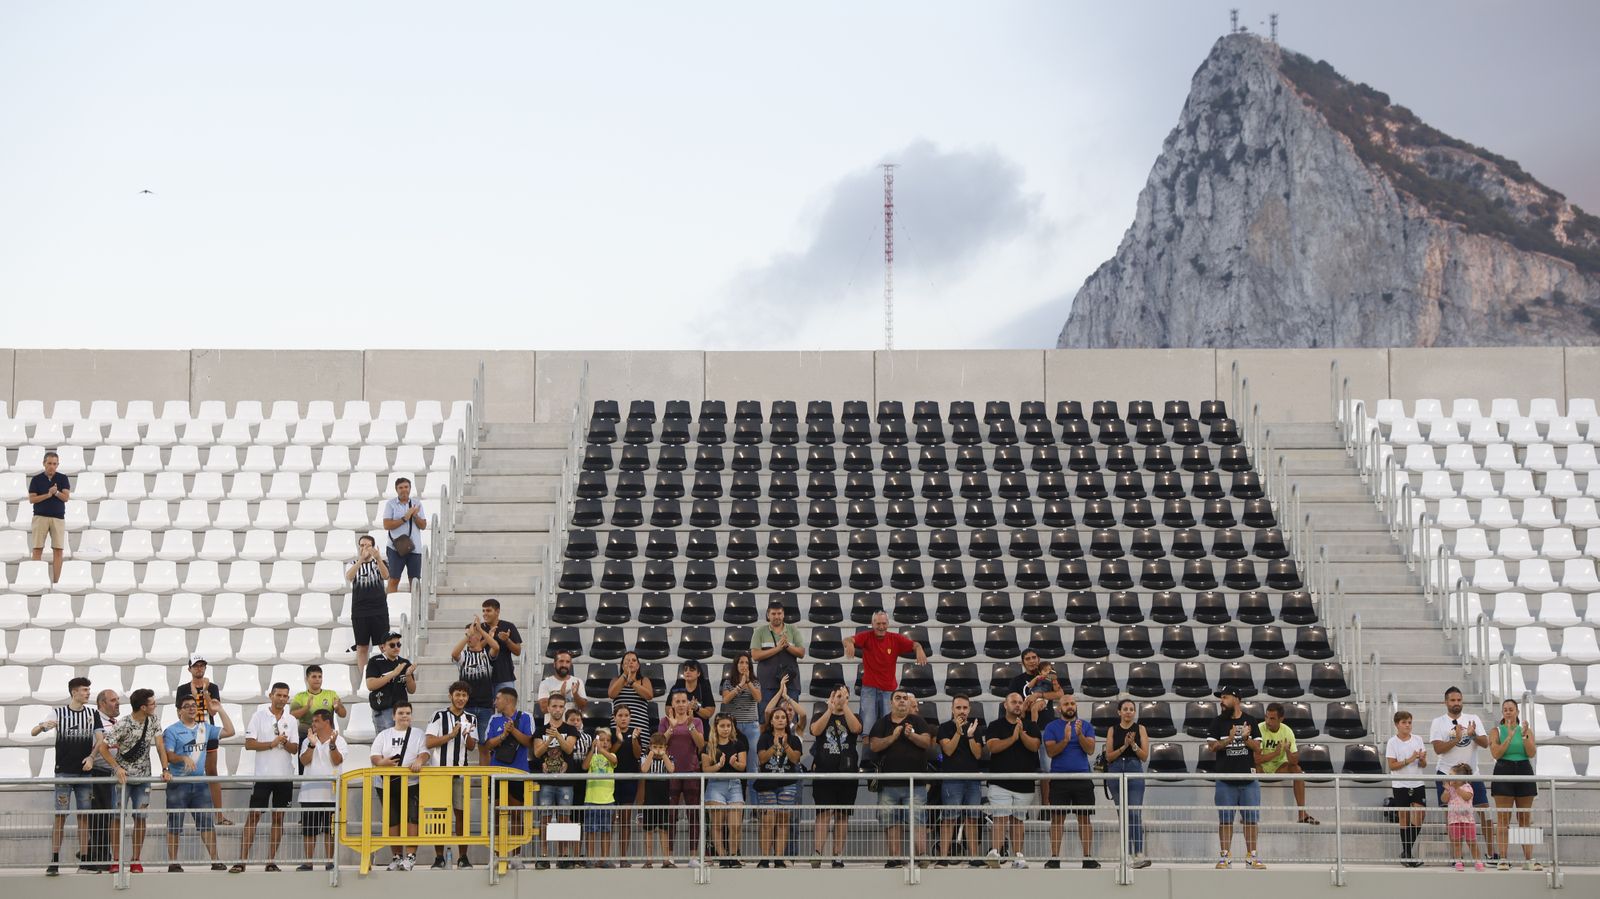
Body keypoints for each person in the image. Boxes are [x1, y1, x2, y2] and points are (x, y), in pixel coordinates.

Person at [33, 676, 102, 876]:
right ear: (74, 692)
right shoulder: (58, 713)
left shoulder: (92, 714)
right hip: (63, 771)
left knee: (84, 816)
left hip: (84, 773)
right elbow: (34, 732)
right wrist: (43, 726)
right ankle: (54, 861)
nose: (88, 693)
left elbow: (100, 739)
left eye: (88, 689)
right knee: (60, 816)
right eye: (84, 690)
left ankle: (85, 862)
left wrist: (91, 757)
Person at [159, 694, 235, 872]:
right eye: (187, 706)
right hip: (178, 784)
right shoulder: (172, 730)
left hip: (200, 784)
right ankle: (173, 862)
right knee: (175, 824)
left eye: (194, 705)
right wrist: (183, 758)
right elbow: (169, 755)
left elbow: (230, 731)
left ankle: (215, 860)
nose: (192, 708)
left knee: (207, 823)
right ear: (179, 711)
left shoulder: (204, 728)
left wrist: (220, 710)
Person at [844, 611, 926, 761]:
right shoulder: (867, 636)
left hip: (889, 690)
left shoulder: (895, 638)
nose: (881, 627)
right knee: (867, 727)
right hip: (869, 688)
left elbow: (914, 644)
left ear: (888, 624)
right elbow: (847, 639)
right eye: (878, 623)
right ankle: (867, 762)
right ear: (872, 624)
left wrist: (919, 648)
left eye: (884, 623)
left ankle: (889, 759)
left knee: (891, 726)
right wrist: (849, 643)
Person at [100, 688, 167, 875]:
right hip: (122, 780)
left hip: (143, 778)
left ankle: (136, 859)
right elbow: (104, 748)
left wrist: (165, 768)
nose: (155, 706)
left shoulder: (153, 720)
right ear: (143, 707)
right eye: (152, 704)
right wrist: (117, 768)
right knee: (117, 818)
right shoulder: (123, 724)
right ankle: (116, 859)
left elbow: (160, 746)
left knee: (141, 818)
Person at [235, 682, 299, 872]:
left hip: (284, 777)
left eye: (285, 696)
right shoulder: (259, 716)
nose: (282, 699)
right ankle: (241, 861)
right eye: (278, 695)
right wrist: (272, 743)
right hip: (263, 776)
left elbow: (294, 749)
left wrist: (283, 742)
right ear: (271, 695)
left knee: (278, 818)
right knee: (254, 816)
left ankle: (271, 861)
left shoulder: (291, 720)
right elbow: (249, 744)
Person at [867, 688, 933, 868]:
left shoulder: (918, 721)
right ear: (891, 702)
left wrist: (911, 735)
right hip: (889, 784)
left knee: (918, 820)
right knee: (891, 822)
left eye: (904, 698)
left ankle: (922, 856)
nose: (902, 700)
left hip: (915, 784)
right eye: (898, 698)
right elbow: (874, 746)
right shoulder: (882, 723)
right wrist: (893, 736)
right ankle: (895, 858)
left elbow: (926, 742)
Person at [1430, 687, 1494, 861]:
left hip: (1472, 775)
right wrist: (1457, 739)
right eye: (1452, 700)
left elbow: (1485, 743)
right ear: (1446, 702)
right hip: (1447, 774)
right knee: (1451, 818)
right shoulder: (1438, 722)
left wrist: (1472, 735)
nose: (1456, 703)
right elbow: (1438, 749)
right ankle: (1457, 857)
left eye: (1459, 700)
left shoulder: (1473, 719)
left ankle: (1491, 853)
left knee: (1485, 812)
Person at [1207, 685, 1266, 869]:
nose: (1221, 701)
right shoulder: (1217, 722)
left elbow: (1258, 748)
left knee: (1251, 821)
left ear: (1237, 699)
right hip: (1225, 780)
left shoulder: (1251, 720)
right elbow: (1212, 747)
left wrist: (1246, 739)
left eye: (1225, 697)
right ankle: (1225, 857)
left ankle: (1252, 857)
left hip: (1248, 780)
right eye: (1221, 698)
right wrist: (1230, 739)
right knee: (1225, 820)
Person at [984, 692, 1045, 869]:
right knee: (1000, 818)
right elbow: (993, 747)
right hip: (1000, 782)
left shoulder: (1031, 725)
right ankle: (995, 852)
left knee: (1018, 821)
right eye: (1013, 702)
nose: (1017, 705)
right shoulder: (995, 725)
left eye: (1020, 702)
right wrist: (1013, 737)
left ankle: (1018, 856)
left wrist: (1021, 733)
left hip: (1024, 784)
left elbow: (1034, 746)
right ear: (1005, 705)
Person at [370, 702, 432, 871]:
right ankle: (397, 857)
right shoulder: (384, 735)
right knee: (392, 819)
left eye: (407, 713)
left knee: (412, 818)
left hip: (411, 783)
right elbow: (374, 756)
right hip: (386, 783)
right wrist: (383, 762)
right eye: (401, 713)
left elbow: (425, 752)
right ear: (393, 716)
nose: (404, 716)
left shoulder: (418, 733)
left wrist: (419, 760)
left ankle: (410, 857)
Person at [425, 681, 479, 868]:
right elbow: (429, 742)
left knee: (461, 815)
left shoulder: (471, 718)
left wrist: (466, 735)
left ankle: (463, 857)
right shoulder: (438, 715)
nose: (461, 698)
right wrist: (451, 735)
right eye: (458, 694)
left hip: (461, 773)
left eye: (464, 695)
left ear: (468, 698)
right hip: (439, 773)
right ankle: (439, 857)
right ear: (450, 696)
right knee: (439, 815)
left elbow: (471, 747)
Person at [1042, 695, 1099, 869]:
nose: (1070, 706)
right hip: (1059, 779)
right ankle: (1054, 857)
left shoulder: (1086, 726)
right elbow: (1051, 752)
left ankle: (1087, 857)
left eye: (1072, 703)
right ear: (1059, 708)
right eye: (1066, 703)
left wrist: (1079, 735)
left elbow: (1090, 750)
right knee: (1057, 819)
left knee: (1084, 819)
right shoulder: (1051, 727)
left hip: (1082, 778)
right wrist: (1066, 740)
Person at [808, 684, 861, 868]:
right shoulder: (820, 715)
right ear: (831, 697)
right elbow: (815, 731)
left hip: (847, 774)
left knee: (842, 815)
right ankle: (817, 853)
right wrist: (829, 710)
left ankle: (838, 855)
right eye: (837, 695)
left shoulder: (853, 715)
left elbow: (856, 729)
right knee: (823, 814)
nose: (840, 699)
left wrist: (844, 706)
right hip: (824, 773)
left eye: (843, 696)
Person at [174, 656, 230, 823]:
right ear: (189, 669)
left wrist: (204, 692)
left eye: (202, 666)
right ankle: (183, 817)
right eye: (196, 666)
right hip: (189, 734)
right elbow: (180, 712)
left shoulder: (212, 687)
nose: (199, 669)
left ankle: (219, 815)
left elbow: (213, 711)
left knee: (212, 772)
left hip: (207, 732)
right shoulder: (183, 688)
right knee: (188, 772)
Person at [483, 687, 534, 869]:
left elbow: (529, 742)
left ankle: (516, 855)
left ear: (508, 700)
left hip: (518, 773)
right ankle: (497, 856)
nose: (495, 702)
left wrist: (513, 731)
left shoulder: (526, 717)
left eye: (497, 699)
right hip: (497, 773)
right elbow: (488, 744)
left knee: (517, 814)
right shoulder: (494, 719)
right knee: (496, 815)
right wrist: (503, 735)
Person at [1488, 698, 1541, 870]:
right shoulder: (1496, 731)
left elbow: (1531, 753)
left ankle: (1529, 859)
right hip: (1503, 769)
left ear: (1517, 712)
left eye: (1511, 709)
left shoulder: (1526, 730)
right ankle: (1503, 858)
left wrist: (1524, 736)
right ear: (1502, 712)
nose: (1508, 712)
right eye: (1505, 709)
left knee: (1524, 818)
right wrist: (1509, 738)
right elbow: (1496, 753)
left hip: (1524, 770)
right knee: (1503, 818)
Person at [935, 693, 986, 867]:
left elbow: (978, 754)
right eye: (958, 707)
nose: (962, 711)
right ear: (952, 709)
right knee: (949, 818)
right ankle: (943, 858)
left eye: (965, 708)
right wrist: (958, 732)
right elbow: (948, 750)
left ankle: (974, 857)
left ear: (969, 709)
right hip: (952, 780)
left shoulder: (975, 728)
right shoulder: (944, 728)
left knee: (972, 819)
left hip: (972, 780)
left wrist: (970, 736)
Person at [658, 689, 706, 864]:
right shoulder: (664, 721)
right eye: (677, 701)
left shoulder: (697, 721)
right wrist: (671, 728)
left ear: (688, 704)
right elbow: (659, 744)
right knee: (671, 815)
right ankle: (669, 855)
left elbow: (700, 745)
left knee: (693, 815)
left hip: (691, 772)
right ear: (672, 704)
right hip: (671, 773)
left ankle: (693, 856)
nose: (680, 705)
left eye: (683, 701)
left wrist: (690, 725)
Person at [531, 692, 579, 869]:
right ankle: (543, 855)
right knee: (544, 819)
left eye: (560, 706)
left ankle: (563, 855)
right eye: (554, 706)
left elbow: (568, 749)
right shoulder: (540, 730)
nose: (557, 710)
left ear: (564, 708)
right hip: (546, 782)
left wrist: (558, 736)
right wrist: (549, 739)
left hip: (565, 782)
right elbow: (537, 753)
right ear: (548, 708)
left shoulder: (571, 730)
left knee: (564, 818)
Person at [297, 709, 347, 871]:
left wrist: (332, 745)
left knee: (329, 831)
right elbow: (304, 761)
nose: (313, 724)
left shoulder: (340, 740)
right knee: (309, 830)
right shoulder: (307, 740)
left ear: (327, 722)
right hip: (309, 794)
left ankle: (330, 861)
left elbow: (337, 760)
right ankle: (308, 862)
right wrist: (312, 744)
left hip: (331, 794)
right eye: (313, 721)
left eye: (316, 721)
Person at [1105, 698, 1152, 869]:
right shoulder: (1112, 729)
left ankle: (1138, 853)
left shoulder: (1141, 729)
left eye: (1131, 709)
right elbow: (1109, 756)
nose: (1128, 712)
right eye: (1125, 709)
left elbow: (1144, 756)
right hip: (1116, 769)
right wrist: (1124, 746)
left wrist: (1133, 745)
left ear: (1135, 712)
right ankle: (1126, 854)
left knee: (1134, 813)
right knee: (1123, 814)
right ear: (1119, 712)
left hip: (1134, 768)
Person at [754, 705, 802, 868]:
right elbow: (762, 759)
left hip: (787, 784)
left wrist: (786, 745)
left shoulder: (794, 739)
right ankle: (765, 858)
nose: (780, 720)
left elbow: (795, 759)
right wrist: (774, 746)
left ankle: (779, 858)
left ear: (787, 721)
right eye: (777, 717)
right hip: (767, 783)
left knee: (783, 821)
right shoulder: (764, 738)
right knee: (767, 821)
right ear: (771, 722)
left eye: (783, 717)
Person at [702, 713, 749, 868]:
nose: (726, 729)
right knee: (717, 824)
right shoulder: (709, 746)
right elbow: (706, 769)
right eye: (722, 726)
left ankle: (733, 856)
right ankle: (722, 857)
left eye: (728, 726)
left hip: (734, 785)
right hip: (715, 785)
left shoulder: (738, 744)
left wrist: (734, 764)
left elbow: (743, 767)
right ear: (716, 727)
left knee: (735, 825)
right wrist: (719, 766)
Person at [1008, 648, 1065, 774]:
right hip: (1025, 728)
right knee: (1025, 766)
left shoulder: (1049, 675)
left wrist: (1039, 695)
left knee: (1047, 768)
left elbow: (1060, 694)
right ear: (1023, 662)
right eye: (1028, 658)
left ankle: (1047, 789)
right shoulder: (1017, 681)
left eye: (1034, 657)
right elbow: (1012, 704)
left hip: (1046, 726)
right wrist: (1027, 706)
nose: (1031, 661)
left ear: (1038, 659)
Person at [1259, 702, 1318, 825]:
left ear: (1281, 719)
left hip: (1278, 766)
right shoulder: (1259, 728)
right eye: (1266, 717)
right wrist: (1276, 753)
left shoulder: (1287, 731)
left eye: (1272, 718)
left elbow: (1294, 761)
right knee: (1248, 767)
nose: (1268, 721)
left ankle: (1302, 813)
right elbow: (1256, 759)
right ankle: (1248, 814)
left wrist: (1287, 751)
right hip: (1261, 767)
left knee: (1297, 770)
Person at [1385, 709, 1428, 868]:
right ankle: (1408, 854)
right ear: (1397, 724)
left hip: (1417, 782)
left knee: (1419, 816)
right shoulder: (1392, 742)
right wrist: (1409, 760)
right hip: (1400, 784)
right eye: (1404, 722)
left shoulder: (1418, 739)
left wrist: (1421, 759)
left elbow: (1423, 764)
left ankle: (1406, 851)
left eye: (1409, 722)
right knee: (1404, 817)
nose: (1408, 725)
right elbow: (1392, 765)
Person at [719, 652, 763, 801]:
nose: (744, 665)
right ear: (736, 665)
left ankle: (755, 808)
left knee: (752, 768)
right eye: (741, 662)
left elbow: (758, 698)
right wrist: (739, 685)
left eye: (746, 663)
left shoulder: (755, 682)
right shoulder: (728, 682)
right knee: (734, 765)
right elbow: (725, 700)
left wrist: (748, 682)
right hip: (734, 728)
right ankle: (736, 804)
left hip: (751, 727)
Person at [750, 603, 804, 722]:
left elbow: (801, 653)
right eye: (773, 614)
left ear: (783, 614)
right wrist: (777, 649)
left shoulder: (793, 630)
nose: (776, 616)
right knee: (766, 718)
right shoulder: (759, 631)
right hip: (767, 684)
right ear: (768, 615)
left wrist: (787, 646)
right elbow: (755, 655)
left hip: (790, 683)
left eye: (779, 613)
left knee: (791, 719)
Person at [86, 688, 121, 873]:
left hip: (111, 774)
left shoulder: (116, 722)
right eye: (113, 700)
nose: (118, 703)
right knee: (100, 816)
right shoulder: (94, 721)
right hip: (98, 772)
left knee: (107, 815)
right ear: (102, 703)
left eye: (117, 699)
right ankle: (100, 857)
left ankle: (92, 852)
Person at [346, 535, 391, 675]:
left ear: (373, 547)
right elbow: (349, 577)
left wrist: (378, 558)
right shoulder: (353, 563)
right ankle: (365, 678)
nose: (364, 548)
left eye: (367, 545)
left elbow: (386, 576)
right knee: (362, 647)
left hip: (379, 610)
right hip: (360, 611)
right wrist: (361, 559)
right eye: (361, 545)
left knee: (384, 645)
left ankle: (386, 674)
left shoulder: (380, 562)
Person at [610, 703, 646, 867]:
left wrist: (634, 739)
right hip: (611, 781)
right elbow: (609, 753)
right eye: (620, 715)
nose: (623, 718)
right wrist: (619, 740)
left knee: (625, 820)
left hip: (629, 781)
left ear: (630, 718)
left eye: (626, 716)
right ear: (614, 718)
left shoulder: (635, 733)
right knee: (610, 820)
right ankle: (606, 857)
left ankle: (623, 857)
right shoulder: (610, 734)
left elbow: (638, 755)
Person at [451, 618, 499, 743]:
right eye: (467, 634)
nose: (468, 638)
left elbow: (496, 647)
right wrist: (469, 634)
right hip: (466, 705)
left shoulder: (487, 654)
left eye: (472, 635)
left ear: (479, 636)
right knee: (464, 740)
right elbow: (454, 653)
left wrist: (481, 631)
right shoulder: (463, 656)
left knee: (485, 742)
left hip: (485, 706)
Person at [27, 449, 71, 583]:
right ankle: (35, 581)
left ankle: (56, 582)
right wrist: (48, 495)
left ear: (58, 465)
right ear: (44, 463)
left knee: (58, 550)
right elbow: (32, 499)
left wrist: (56, 492)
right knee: (37, 549)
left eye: (55, 464)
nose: (52, 466)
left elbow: (66, 498)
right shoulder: (36, 479)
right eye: (50, 463)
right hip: (40, 517)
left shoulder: (63, 478)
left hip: (58, 518)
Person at [381, 476, 427, 593]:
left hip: (414, 548)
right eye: (400, 487)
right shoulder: (391, 504)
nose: (404, 490)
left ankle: (415, 604)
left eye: (406, 487)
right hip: (395, 548)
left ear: (410, 488)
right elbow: (386, 525)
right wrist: (405, 518)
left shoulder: (417, 503)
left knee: (415, 581)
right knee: (394, 579)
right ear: (396, 489)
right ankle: (390, 603)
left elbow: (423, 526)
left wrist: (415, 516)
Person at [366, 633, 417, 733]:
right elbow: (370, 685)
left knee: (403, 739)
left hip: (402, 709)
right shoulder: (375, 661)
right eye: (392, 645)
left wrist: (408, 676)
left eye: (398, 644)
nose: (396, 647)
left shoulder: (404, 663)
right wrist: (394, 673)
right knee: (386, 740)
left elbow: (412, 690)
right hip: (383, 708)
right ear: (383, 647)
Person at [583, 728, 619, 867]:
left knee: (606, 831)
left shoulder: (612, 755)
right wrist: (593, 750)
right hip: (591, 799)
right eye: (601, 740)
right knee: (590, 831)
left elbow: (613, 761)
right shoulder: (592, 756)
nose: (604, 743)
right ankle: (590, 858)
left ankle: (604, 858)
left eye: (607, 741)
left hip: (607, 800)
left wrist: (601, 749)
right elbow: (585, 766)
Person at [639, 733, 674, 869]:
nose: (658, 750)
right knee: (649, 830)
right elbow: (644, 769)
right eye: (655, 747)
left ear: (665, 747)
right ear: (650, 747)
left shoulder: (669, 758)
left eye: (661, 747)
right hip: (650, 797)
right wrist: (651, 754)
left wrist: (664, 755)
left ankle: (666, 859)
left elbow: (671, 769)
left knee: (663, 829)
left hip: (663, 797)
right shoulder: (646, 757)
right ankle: (649, 860)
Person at [289, 665, 348, 743]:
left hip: (327, 735)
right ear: (306, 679)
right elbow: (292, 715)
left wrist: (337, 708)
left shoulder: (331, 694)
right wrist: (307, 707)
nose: (317, 679)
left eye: (320, 677)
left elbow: (343, 714)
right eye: (314, 677)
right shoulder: (299, 696)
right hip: (306, 735)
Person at [1444, 763, 1485, 872]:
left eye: (1451, 775)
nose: (1448, 777)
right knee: (1456, 842)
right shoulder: (1450, 788)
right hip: (1454, 819)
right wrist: (1447, 790)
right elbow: (1444, 799)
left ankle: (1478, 861)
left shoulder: (1467, 787)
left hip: (1468, 820)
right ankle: (1458, 861)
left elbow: (1467, 797)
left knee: (1472, 841)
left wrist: (1456, 788)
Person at [479, 599, 523, 696]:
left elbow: (518, 651)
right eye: (483, 611)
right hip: (483, 678)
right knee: (486, 706)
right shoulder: (479, 628)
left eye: (488, 610)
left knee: (507, 705)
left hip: (505, 677)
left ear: (497, 611)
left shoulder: (509, 626)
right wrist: (488, 637)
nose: (485, 614)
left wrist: (507, 640)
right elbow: (474, 649)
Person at [608, 651, 657, 735]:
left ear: (638, 666)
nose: (630, 662)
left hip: (639, 727)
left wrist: (632, 682)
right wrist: (625, 675)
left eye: (634, 660)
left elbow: (649, 695)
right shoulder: (615, 680)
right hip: (618, 729)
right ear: (622, 666)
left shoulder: (644, 680)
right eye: (627, 660)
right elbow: (611, 694)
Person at [537, 649, 587, 716]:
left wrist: (575, 694)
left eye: (567, 662)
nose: (564, 665)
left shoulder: (577, 681)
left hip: (572, 722)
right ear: (554, 664)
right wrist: (561, 696)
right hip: (553, 722)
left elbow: (583, 707)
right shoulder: (545, 683)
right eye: (561, 661)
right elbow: (544, 709)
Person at [669, 659, 714, 724]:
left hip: (701, 726)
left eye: (691, 670)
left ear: (698, 673)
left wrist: (696, 708)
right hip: (679, 725)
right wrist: (683, 707)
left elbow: (709, 713)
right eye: (685, 670)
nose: (688, 672)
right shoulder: (676, 688)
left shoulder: (705, 688)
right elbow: (667, 710)